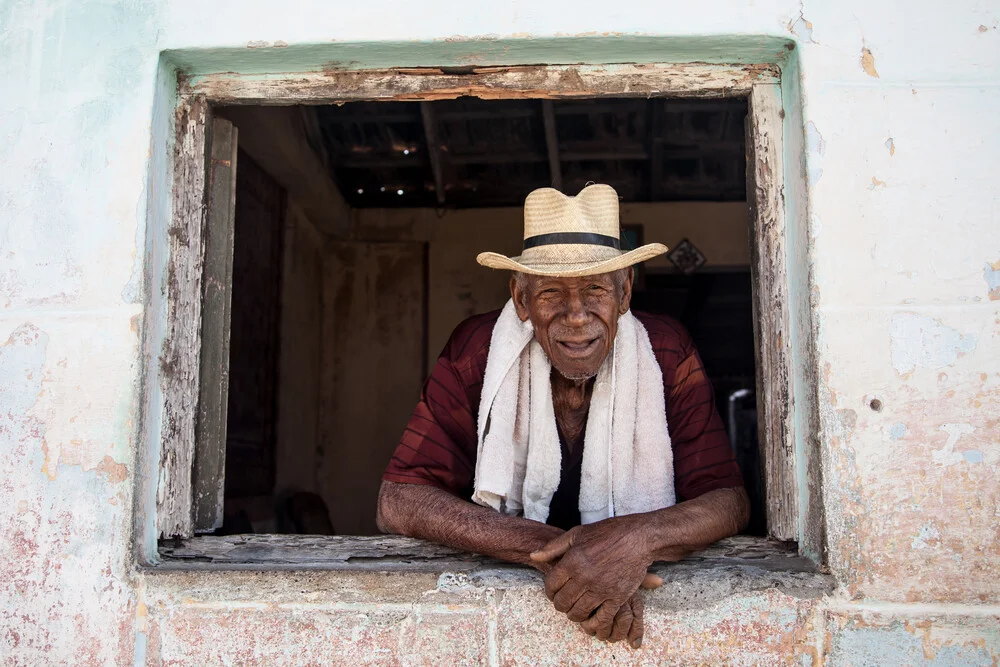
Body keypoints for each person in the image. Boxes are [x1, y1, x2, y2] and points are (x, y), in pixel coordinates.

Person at [377, 184, 749, 648]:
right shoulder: (477, 352)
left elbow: (727, 501)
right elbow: (399, 500)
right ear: (520, 298)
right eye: (552, 292)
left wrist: (636, 541)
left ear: (625, 292)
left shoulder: (666, 351)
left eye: (595, 289)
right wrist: (573, 556)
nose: (576, 315)